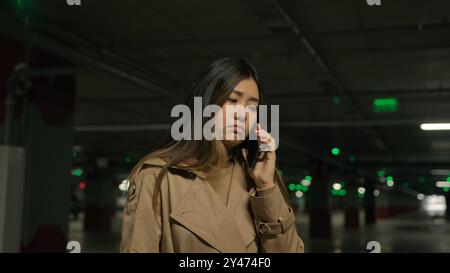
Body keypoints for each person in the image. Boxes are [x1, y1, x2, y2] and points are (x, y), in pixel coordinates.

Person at [120, 57, 304, 253]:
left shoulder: (258, 178)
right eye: (232, 100)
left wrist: (266, 187)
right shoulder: (158, 177)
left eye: (252, 107)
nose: (242, 114)